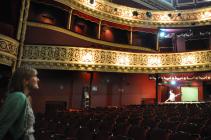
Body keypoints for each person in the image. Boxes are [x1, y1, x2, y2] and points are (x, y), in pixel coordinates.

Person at [0, 66, 39, 140]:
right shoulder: (18, 96)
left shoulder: (26, 97)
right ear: (25, 81)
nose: (38, 79)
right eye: (35, 76)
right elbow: (3, 124)